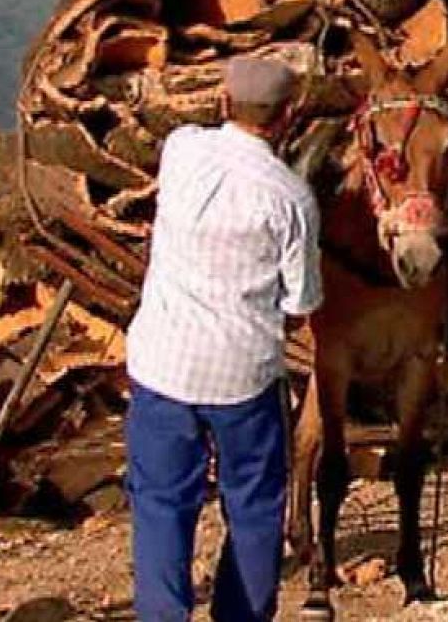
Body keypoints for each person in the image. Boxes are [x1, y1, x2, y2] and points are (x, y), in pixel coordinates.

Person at [125, 56, 323, 621]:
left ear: (222, 103)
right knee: (255, 506)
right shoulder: (291, 198)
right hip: (242, 376)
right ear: (289, 118)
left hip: (162, 361)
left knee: (162, 502)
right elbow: (301, 301)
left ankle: (162, 616)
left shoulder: (182, 150)